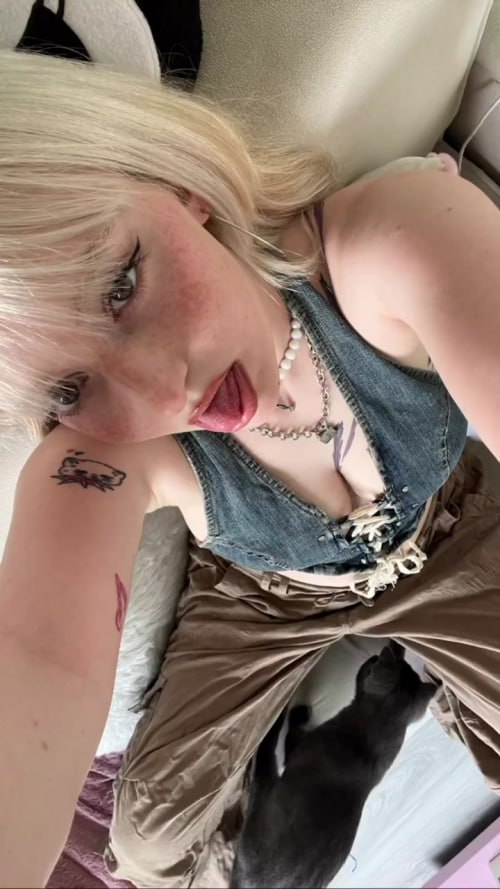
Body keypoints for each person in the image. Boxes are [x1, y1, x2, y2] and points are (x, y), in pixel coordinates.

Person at [0, 48, 499, 889]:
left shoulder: (385, 244)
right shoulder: (104, 447)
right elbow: (38, 657)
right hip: (267, 596)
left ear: (179, 184)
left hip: (450, 533)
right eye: (70, 387)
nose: (164, 393)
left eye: (122, 285)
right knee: (151, 836)